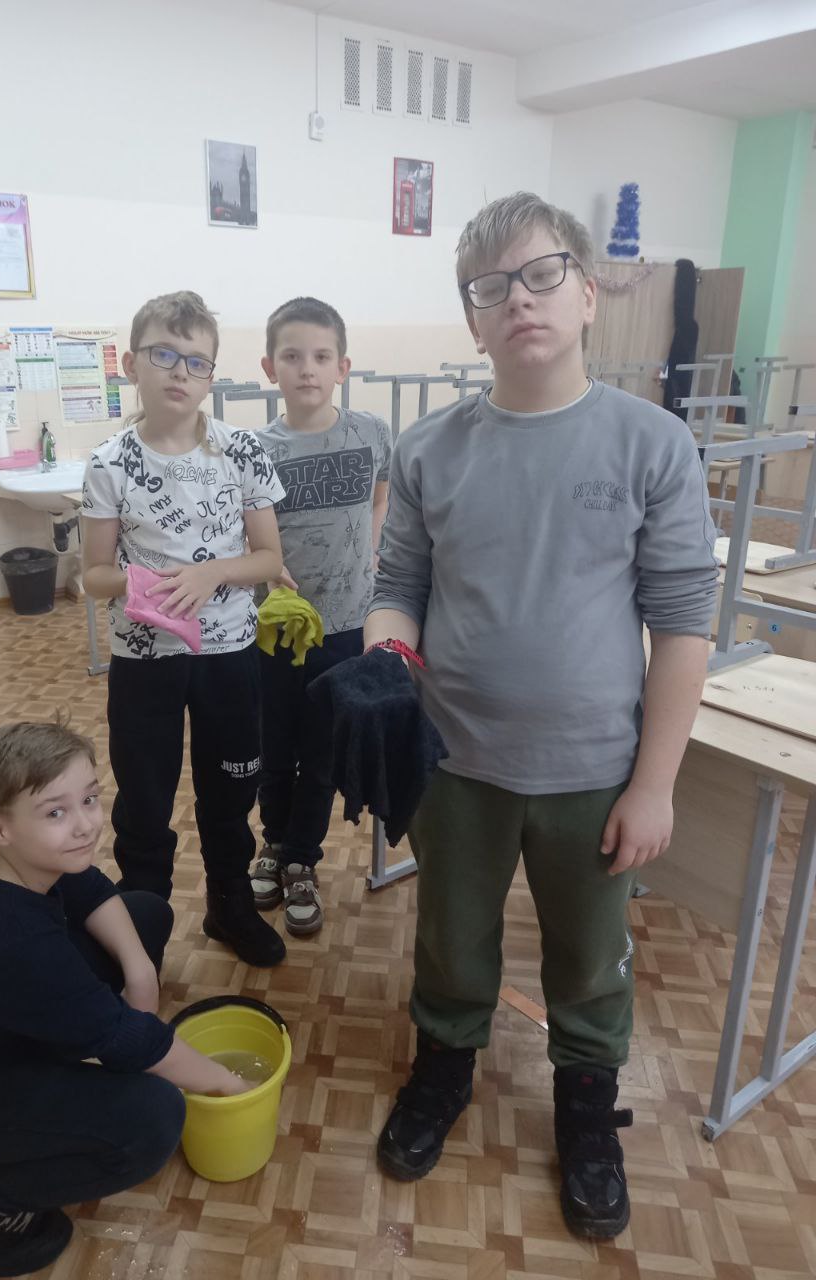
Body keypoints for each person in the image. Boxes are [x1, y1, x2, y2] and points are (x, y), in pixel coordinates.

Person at [364, 192, 718, 1238]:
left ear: (587, 291)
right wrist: (384, 660)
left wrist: (654, 784)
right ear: (471, 319)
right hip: (456, 763)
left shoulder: (653, 443)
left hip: (594, 771)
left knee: (590, 957)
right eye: (490, 287)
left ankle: (587, 1108)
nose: (518, 299)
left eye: (541, 273)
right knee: (451, 939)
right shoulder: (428, 450)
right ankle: (443, 1066)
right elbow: (399, 588)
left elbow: (683, 622)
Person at [0, 720, 250, 1278]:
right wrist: (226, 1083)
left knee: (143, 916)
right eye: (56, 812)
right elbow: (130, 1039)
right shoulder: (6, 939)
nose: (85, 825)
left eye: (90, 799)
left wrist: (140, 975)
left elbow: (88, 885)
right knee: (152, 1119)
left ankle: (69, 1061)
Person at [82, 291, 288, 967]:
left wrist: (213, 573)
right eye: (164, 355)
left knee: (230, 790)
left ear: (211, 375)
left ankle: (230, 905)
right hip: (145, 660)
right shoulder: (110, 462)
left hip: (229, 654)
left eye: (197, 361)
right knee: (143, 801)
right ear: (131, 364)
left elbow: (269, 559)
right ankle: (142, 929)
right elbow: (94, 575)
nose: (180, 372)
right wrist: (149, 585)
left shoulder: (242, 450)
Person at [251, 297, 391, 935]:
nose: (307, 368)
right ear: (269, 368)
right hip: (279, 628)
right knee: (274, 748)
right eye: (292, 356)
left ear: (342, 367)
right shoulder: (254, 450)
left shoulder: (371, 434)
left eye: (321, 356)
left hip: (348, 624)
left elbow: (381, 494)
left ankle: (302, 858)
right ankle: (274, 843)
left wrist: (372, 543)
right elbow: (245, 530)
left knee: (323, 753)